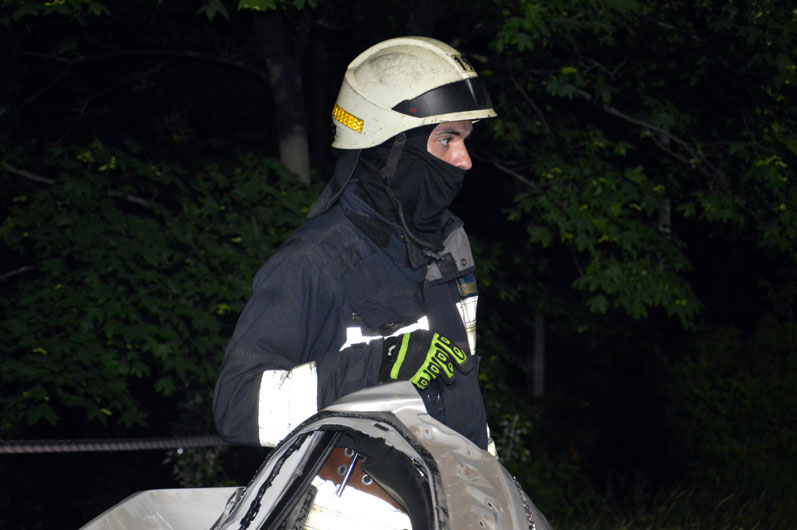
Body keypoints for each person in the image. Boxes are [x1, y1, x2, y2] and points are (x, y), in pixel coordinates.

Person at [212, 36, 497, 452]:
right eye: (447, 139)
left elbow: (460, 393)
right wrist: (379, 364)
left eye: (465, 140)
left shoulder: (449, 244)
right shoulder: (315, 262)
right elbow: (236, 407)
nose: (464, 160)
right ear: (391, 148)